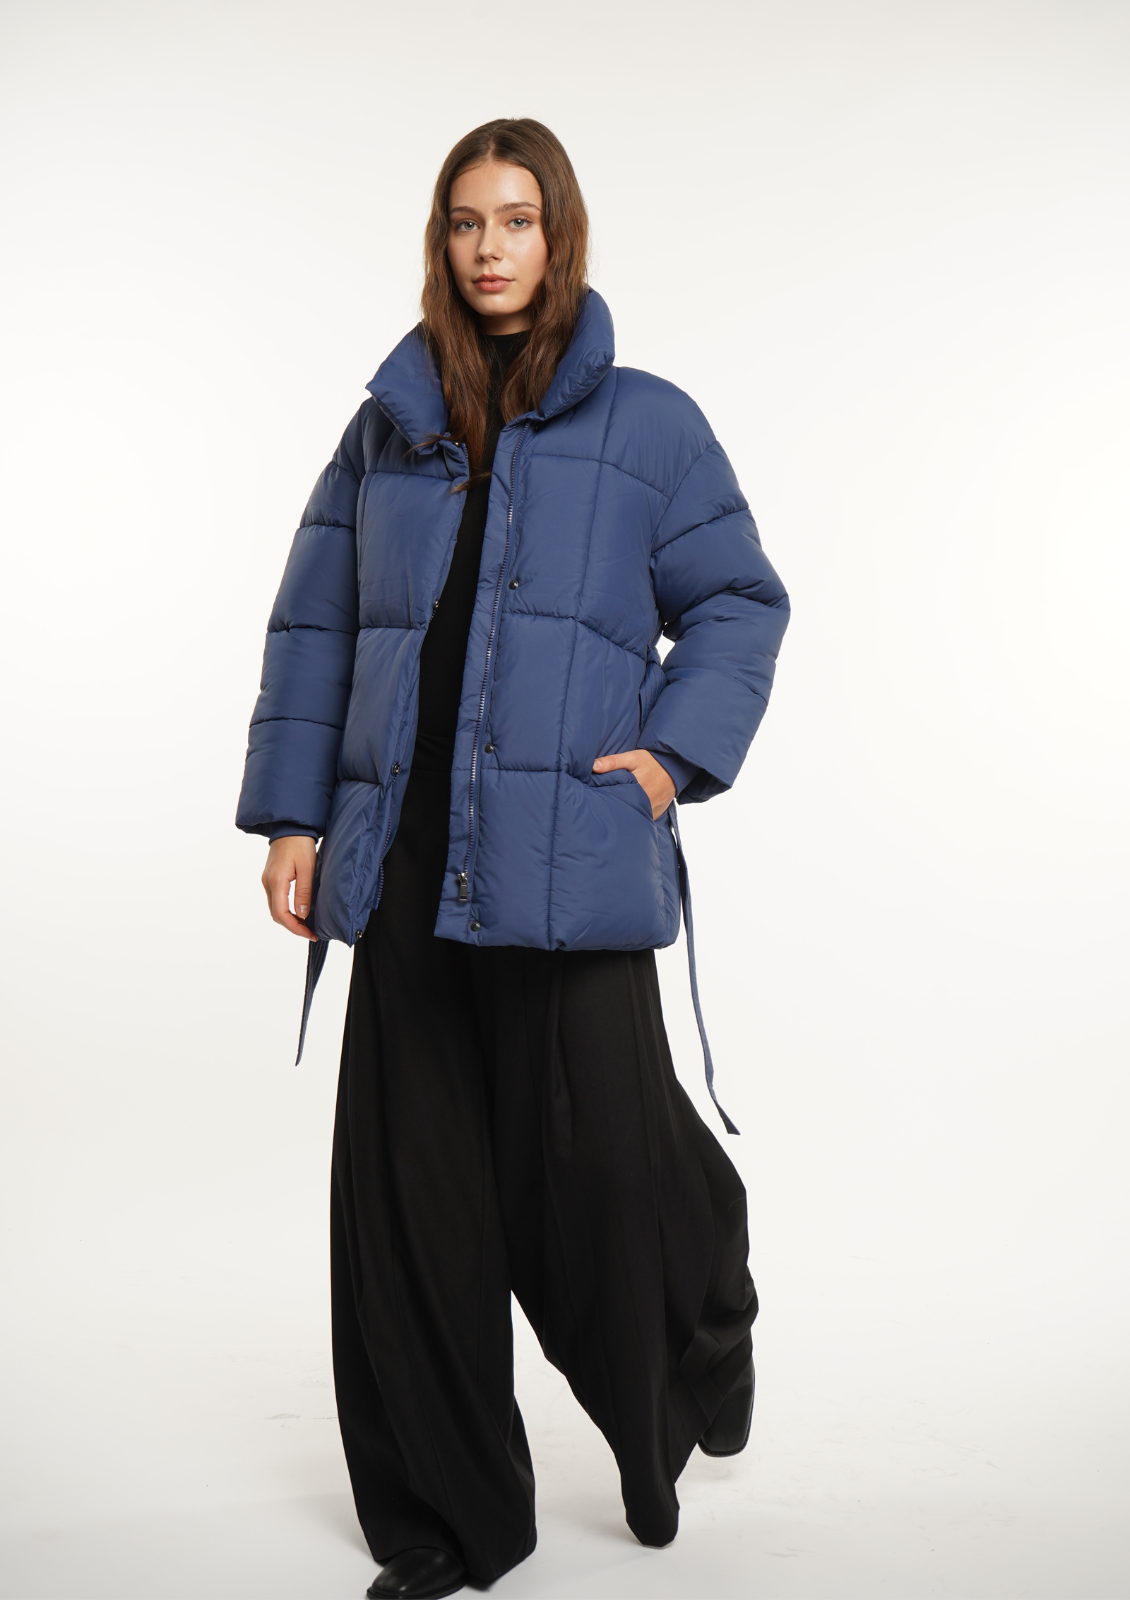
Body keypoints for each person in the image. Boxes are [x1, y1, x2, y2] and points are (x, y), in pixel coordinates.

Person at [236, 118, 789, 1600]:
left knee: (607, 1173)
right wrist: (294, 818)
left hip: (568, 856)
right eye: (467, 222)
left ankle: (698, 1330)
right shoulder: (386, 428)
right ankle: (447, 1520)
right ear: (442, 240)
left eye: (518, 220)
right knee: (413, 1199)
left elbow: (737, 600)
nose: (490, 248)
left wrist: (669, 758)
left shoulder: (650, 426)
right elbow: (317, 626)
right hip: (404, 859)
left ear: (562, 236)